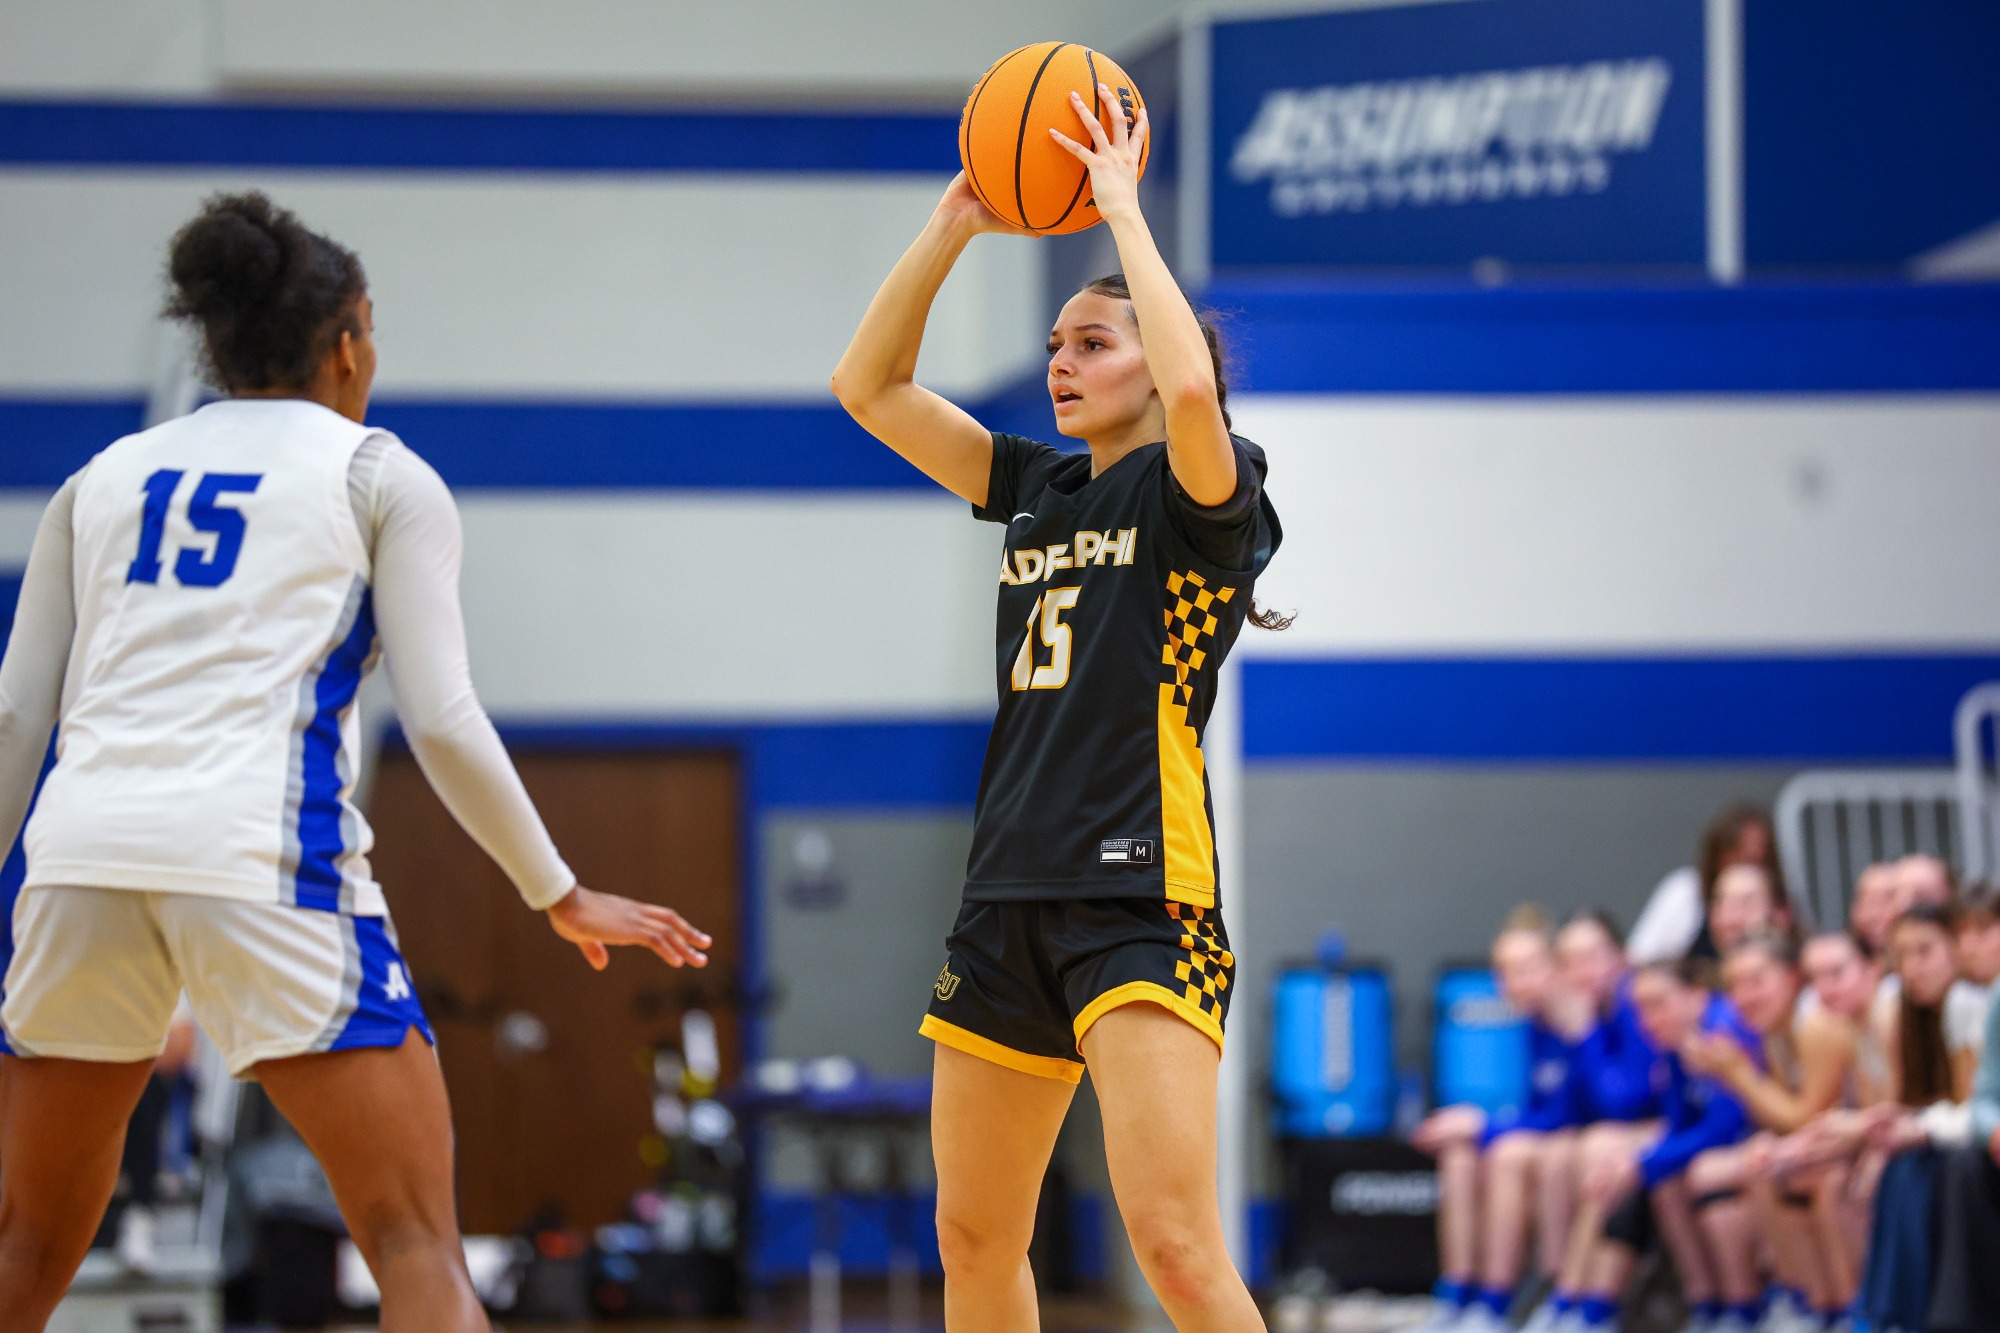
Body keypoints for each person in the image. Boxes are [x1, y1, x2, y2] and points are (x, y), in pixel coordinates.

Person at [0, 193, 713, 1333]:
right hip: (259, 853)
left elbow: (15, 713)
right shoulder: (380, 474)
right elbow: (441, 719)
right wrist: (558, 892)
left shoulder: (100, 479)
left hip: (78, 858)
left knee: (25, 1247)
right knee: (413, 1241)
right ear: (348, 338)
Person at [830, 87, 1282, 1330]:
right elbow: (867, 388)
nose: (1061, 365)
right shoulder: (1032, 486)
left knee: (1174, 1242)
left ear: (1158, 358)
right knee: (972, 1237)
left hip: (1141, 896)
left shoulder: (1204, 495)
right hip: (1004, 894)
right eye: (1055, 347)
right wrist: (952, 225)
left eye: (1094, 344)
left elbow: (1195, 403)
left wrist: (1125, 212)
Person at [1562, 959, 1762, 1333]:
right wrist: (1636, 1160)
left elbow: (1726, 1126)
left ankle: (1747, 1309)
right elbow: (1678, 1124)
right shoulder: (1674, 1045)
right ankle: (1709, 1308)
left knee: (1689, 1174)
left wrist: (1640, 1163)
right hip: (1723, 1154)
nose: (1647, 1019)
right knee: (1661, 1179)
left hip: (1752, 1149)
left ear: (1696, 995)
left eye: (1658, 1004)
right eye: (1640, 1009)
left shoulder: (1722, 1032)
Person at [1412, 908, 1585, 1333]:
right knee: (1460, 1156)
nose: (1514, 983)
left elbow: (1574, 1112)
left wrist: (1485, 1127)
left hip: (1580, 1142)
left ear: (1557, 967)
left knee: (1505, 1154)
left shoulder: (1576, 1019)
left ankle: (1495, 1305)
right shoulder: (1533, 1025)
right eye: (1505, 972)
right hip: (1550, 1135)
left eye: (1527, 969)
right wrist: (1476, 1124)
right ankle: (1456, 1298)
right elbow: (1534, 1109)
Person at [1682, 933, 1866, 1328]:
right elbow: (1784, 1119)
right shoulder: (1776, 1031)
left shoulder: (1815, 1024)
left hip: (1861, 1144)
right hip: (1833, 1142)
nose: (1744, 996)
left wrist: (1737, 1073)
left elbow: (1805, 1117)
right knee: (1762, 1166)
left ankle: (1848, 1309)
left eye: (1756, 981)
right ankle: (1809, 1303)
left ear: (1790, 978)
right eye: (1734, 986)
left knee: (1813, 1179)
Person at [1520, 910, 1664, 1333]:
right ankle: (1558, 1296)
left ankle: (1588, 1306)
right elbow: (1565, 1110)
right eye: (1570, 961)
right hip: (1614, 1134)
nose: (1581, 971)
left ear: (1621, 958)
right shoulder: (1568, 1014)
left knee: (1600, 1149)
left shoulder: (1634, 1004)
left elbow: (1626, 1103)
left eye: (1592, 957)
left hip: (1655, 1130)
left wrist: (1585, 1037)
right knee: (1560, 1154)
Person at [1628, 805, 1779, 967]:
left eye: (1747, 902)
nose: (1733, 917)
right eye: (1724, 903)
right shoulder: (1686, 891)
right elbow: (1638, 959)